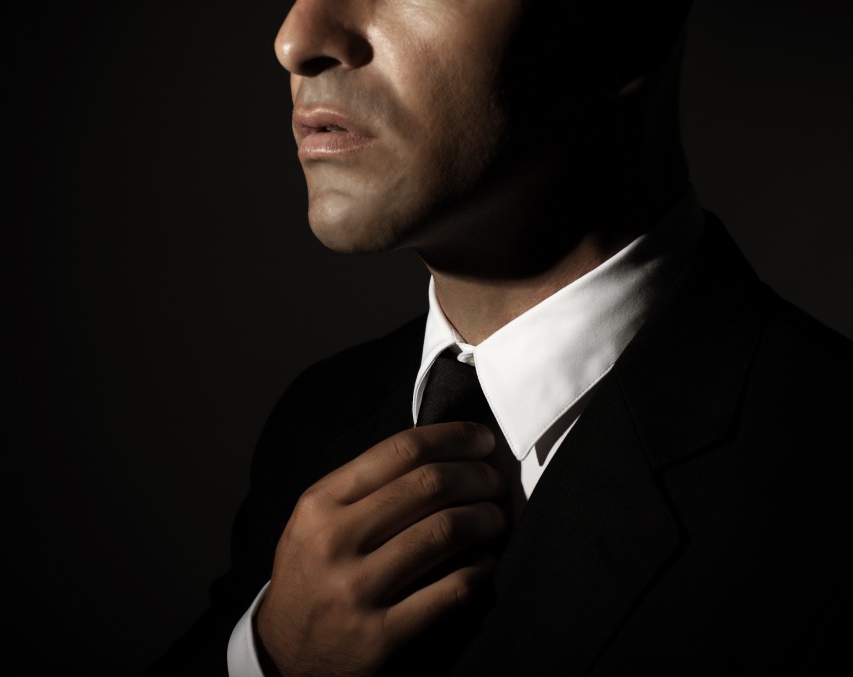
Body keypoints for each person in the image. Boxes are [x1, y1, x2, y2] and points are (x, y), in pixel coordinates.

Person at [148, 1, 852, 674]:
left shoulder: (826, 488)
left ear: (629, 25)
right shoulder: (315, 425)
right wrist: (266, 659)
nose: (296, 38)